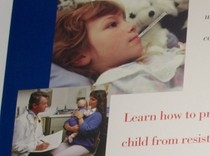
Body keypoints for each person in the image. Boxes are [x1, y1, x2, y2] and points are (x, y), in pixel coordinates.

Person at [50, 0, 184, 93]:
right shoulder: (120, 81)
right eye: (112, 24)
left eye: (124, 20)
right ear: (79, 56)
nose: (132, 25)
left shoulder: (142, 63)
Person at [50, 89, 107, 156]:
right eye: (90, 98)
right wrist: (69, 127)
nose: (89, 101)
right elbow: (68, 121)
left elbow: (84, 130)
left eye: (93, 99)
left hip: (83, 145)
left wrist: (80, 118)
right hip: (72, 142)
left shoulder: (97, 115)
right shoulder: (86, 110)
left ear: (100, 102)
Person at [9, 91, 53, 156]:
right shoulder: (21, 121)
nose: (46, 105)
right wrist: (35, 147)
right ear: (35, 105)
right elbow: (15, 146)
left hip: (32, 151)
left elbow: (39, 136)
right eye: (44, 103)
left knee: (50, 155)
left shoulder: (37, 117)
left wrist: (46, 141)